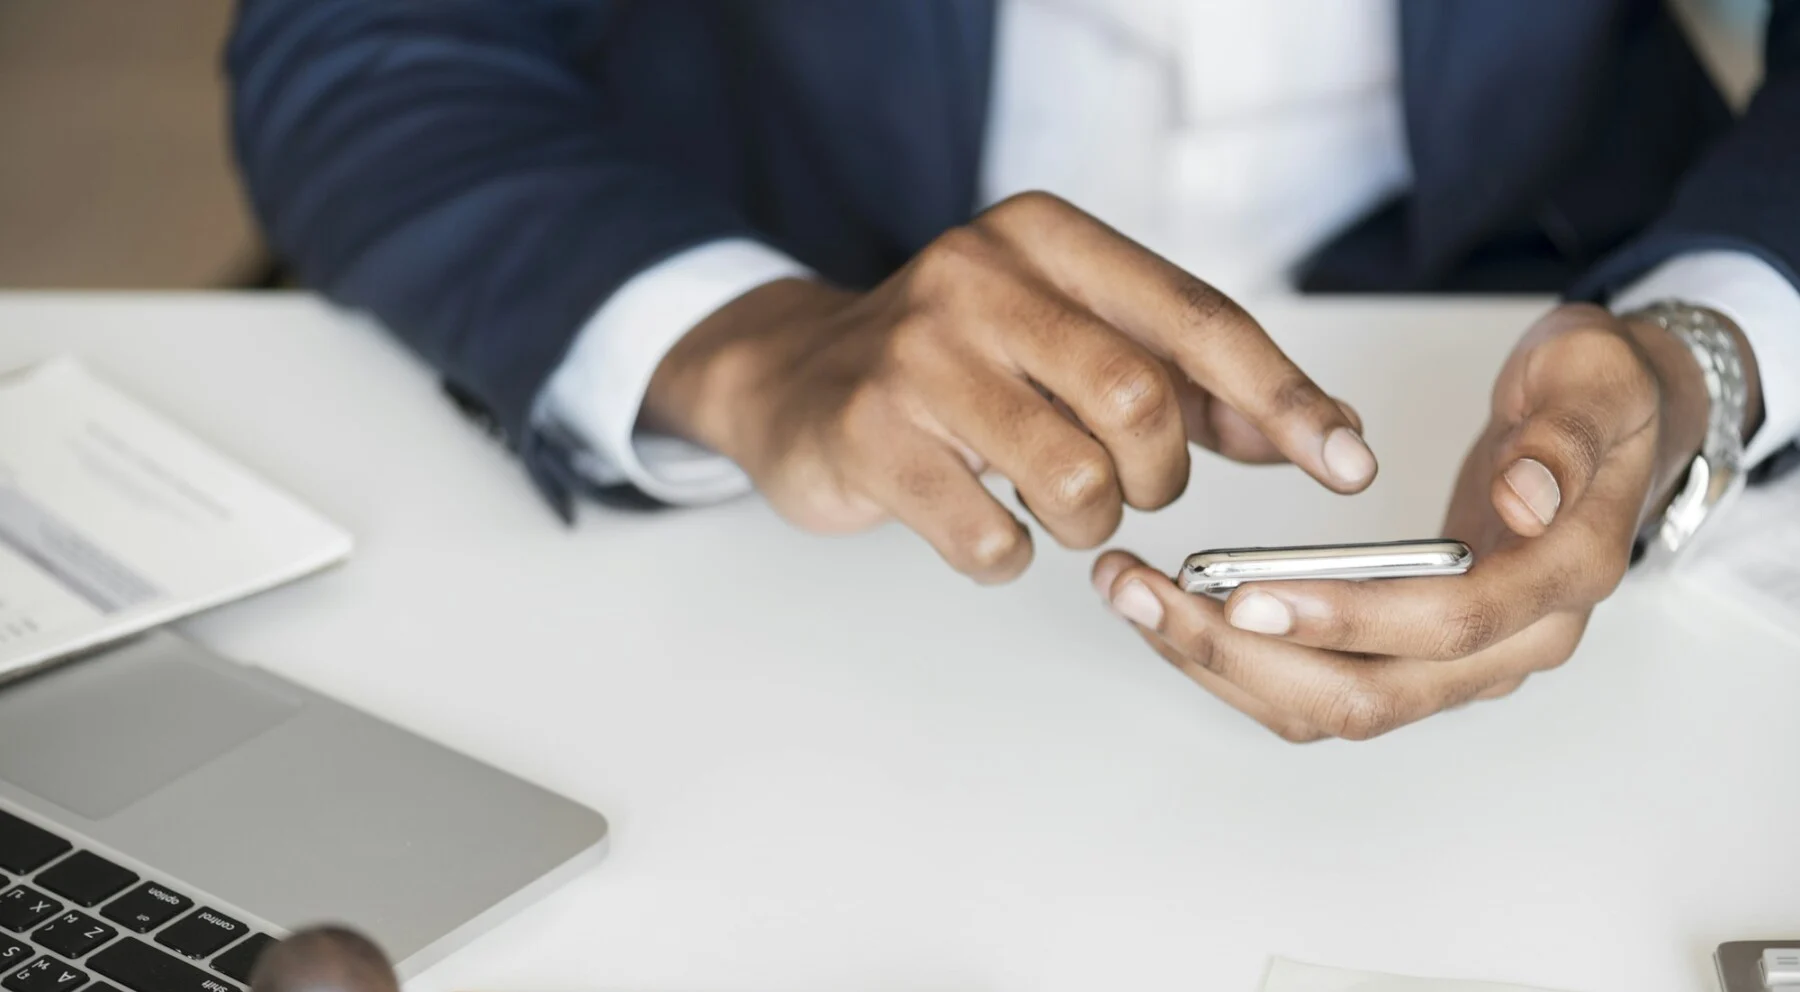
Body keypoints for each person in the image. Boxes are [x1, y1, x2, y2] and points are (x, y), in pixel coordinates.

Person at [227, 0, 1798, 740]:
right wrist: (755, 350)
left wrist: (1704, 350)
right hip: (809, 386)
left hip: (1525, 287)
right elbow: (363, 37)